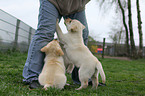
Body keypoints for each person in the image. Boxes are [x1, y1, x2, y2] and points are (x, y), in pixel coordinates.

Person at [23, 0, 90, 89]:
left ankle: (82, 78)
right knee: (45, 33)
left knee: (83, 34)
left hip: (76, 4)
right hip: (52, 1)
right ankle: (32, 76)